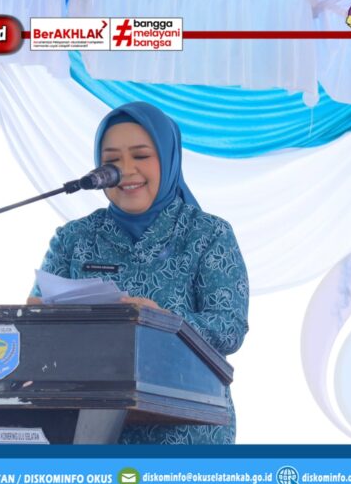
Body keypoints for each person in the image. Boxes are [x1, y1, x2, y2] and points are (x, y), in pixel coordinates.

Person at [29, 101, 249, 444]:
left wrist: (164, 322)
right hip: (88, 428)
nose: (125, 170)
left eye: (141, 156)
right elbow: (38, 324)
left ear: (168, 158)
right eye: (112, 160)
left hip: (185, 433)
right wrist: (33, 320)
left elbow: (229, 329)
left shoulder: (208, 234)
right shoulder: (74, 238)